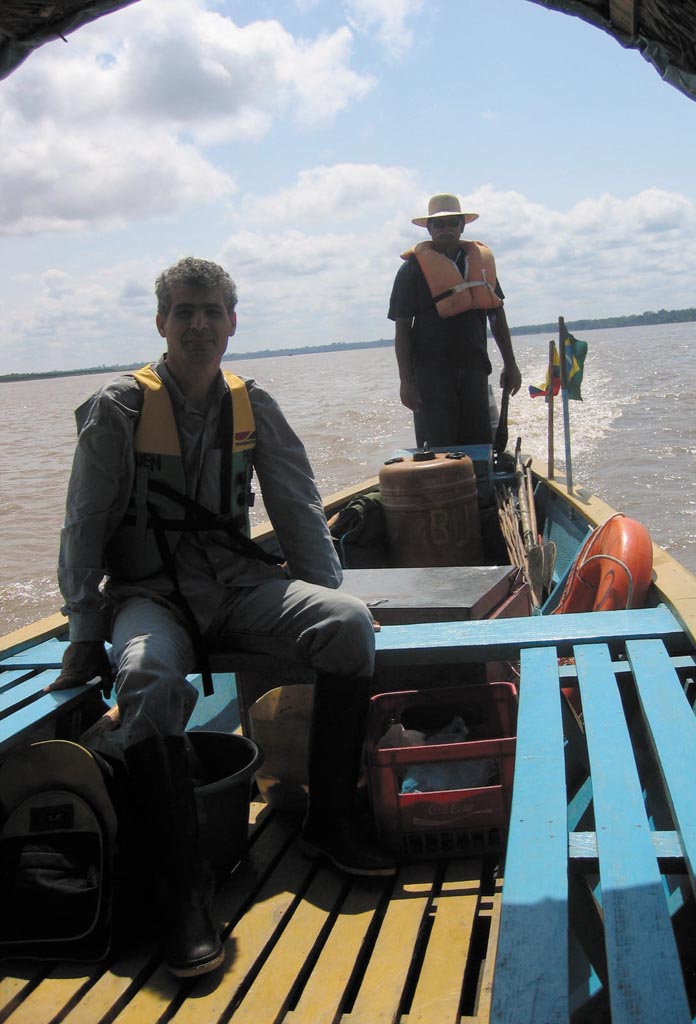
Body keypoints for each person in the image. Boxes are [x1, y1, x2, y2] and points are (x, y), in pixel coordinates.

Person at [48, 256, 393, 980]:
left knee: (349, 624)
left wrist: (328, 592)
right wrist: (85, 630)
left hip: (238, 584)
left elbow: (298, 508)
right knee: (143, 673)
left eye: (212, 312)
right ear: (162, 324)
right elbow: (82, 525)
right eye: (184, 311)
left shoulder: (251, 403)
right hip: (151, 593)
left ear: (232, 324)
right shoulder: (119, 408)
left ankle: (331, 821)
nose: (199, 324)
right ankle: (183, 895)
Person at [388, 193, 522, 448]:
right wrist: (405, 381)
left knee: (479, 444)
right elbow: (402, 327)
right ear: (429, 229)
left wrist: (511, 363)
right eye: (438, 224)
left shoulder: (479, 264)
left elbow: (496, 312)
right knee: (438, 449)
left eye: (452, 223)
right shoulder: (412, 270)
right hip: (430, 375)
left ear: (462, 226)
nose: (446, 229)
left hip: (474, 367)